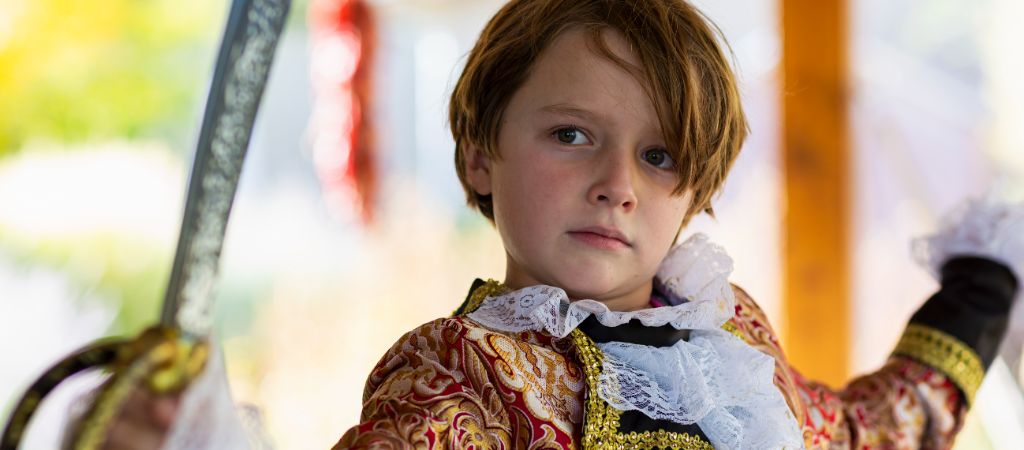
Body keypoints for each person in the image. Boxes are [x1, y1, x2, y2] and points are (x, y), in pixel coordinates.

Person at [94, 0, 1023, 448]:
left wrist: (984, 288)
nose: (618, 184)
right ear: (478, 155)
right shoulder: (461, 370)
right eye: (572, 135)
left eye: (659, 157)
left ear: (694, 193)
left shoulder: (730, 339)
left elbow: (863, 434)